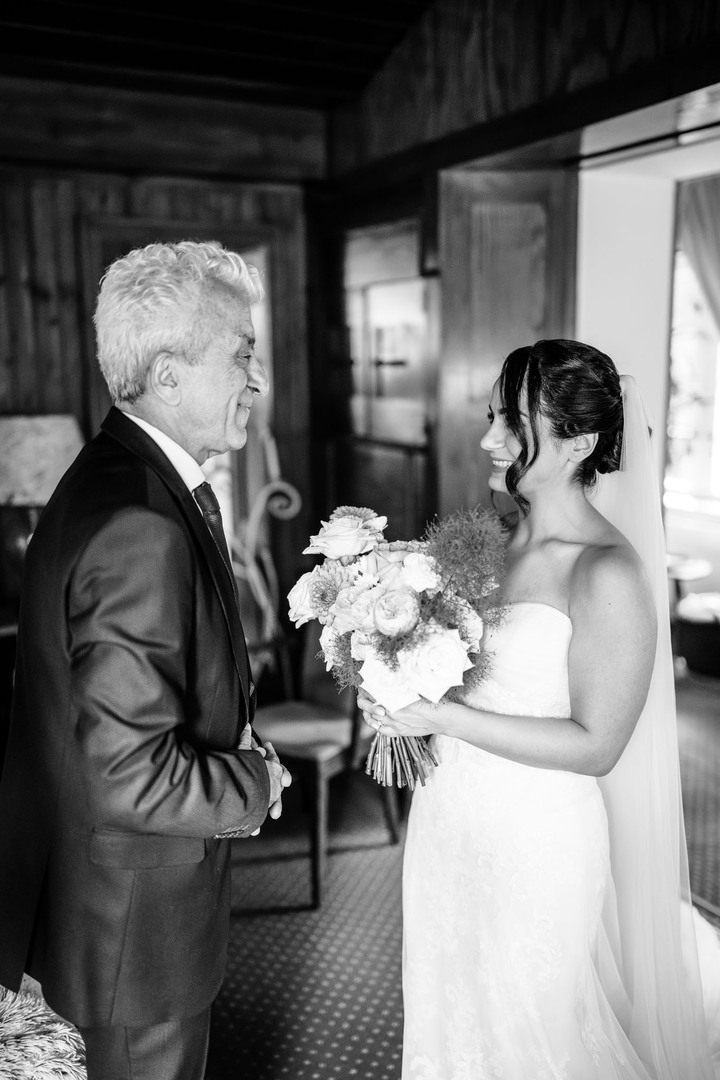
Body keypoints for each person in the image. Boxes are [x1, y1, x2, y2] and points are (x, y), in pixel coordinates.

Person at [360, 339, 719, 1078]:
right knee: (449, 1018)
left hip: (536, 843)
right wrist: (395, 685)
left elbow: (597, 745)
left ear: (579, 443)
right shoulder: (491, 539)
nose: (490, 438)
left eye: (514, 424)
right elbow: (466, 676)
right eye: (494, 415)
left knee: (532, 1038)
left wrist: (444, 718)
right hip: (448, 821)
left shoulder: (607, 572)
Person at [0, 240, 291, 1080]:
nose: (256, 379)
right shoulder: (137, 521)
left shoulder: (120, 482)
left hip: (117, 914)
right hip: (134, 937)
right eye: (242, 354)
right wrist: (257, 787)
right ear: (168, 374)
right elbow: (129, 773)